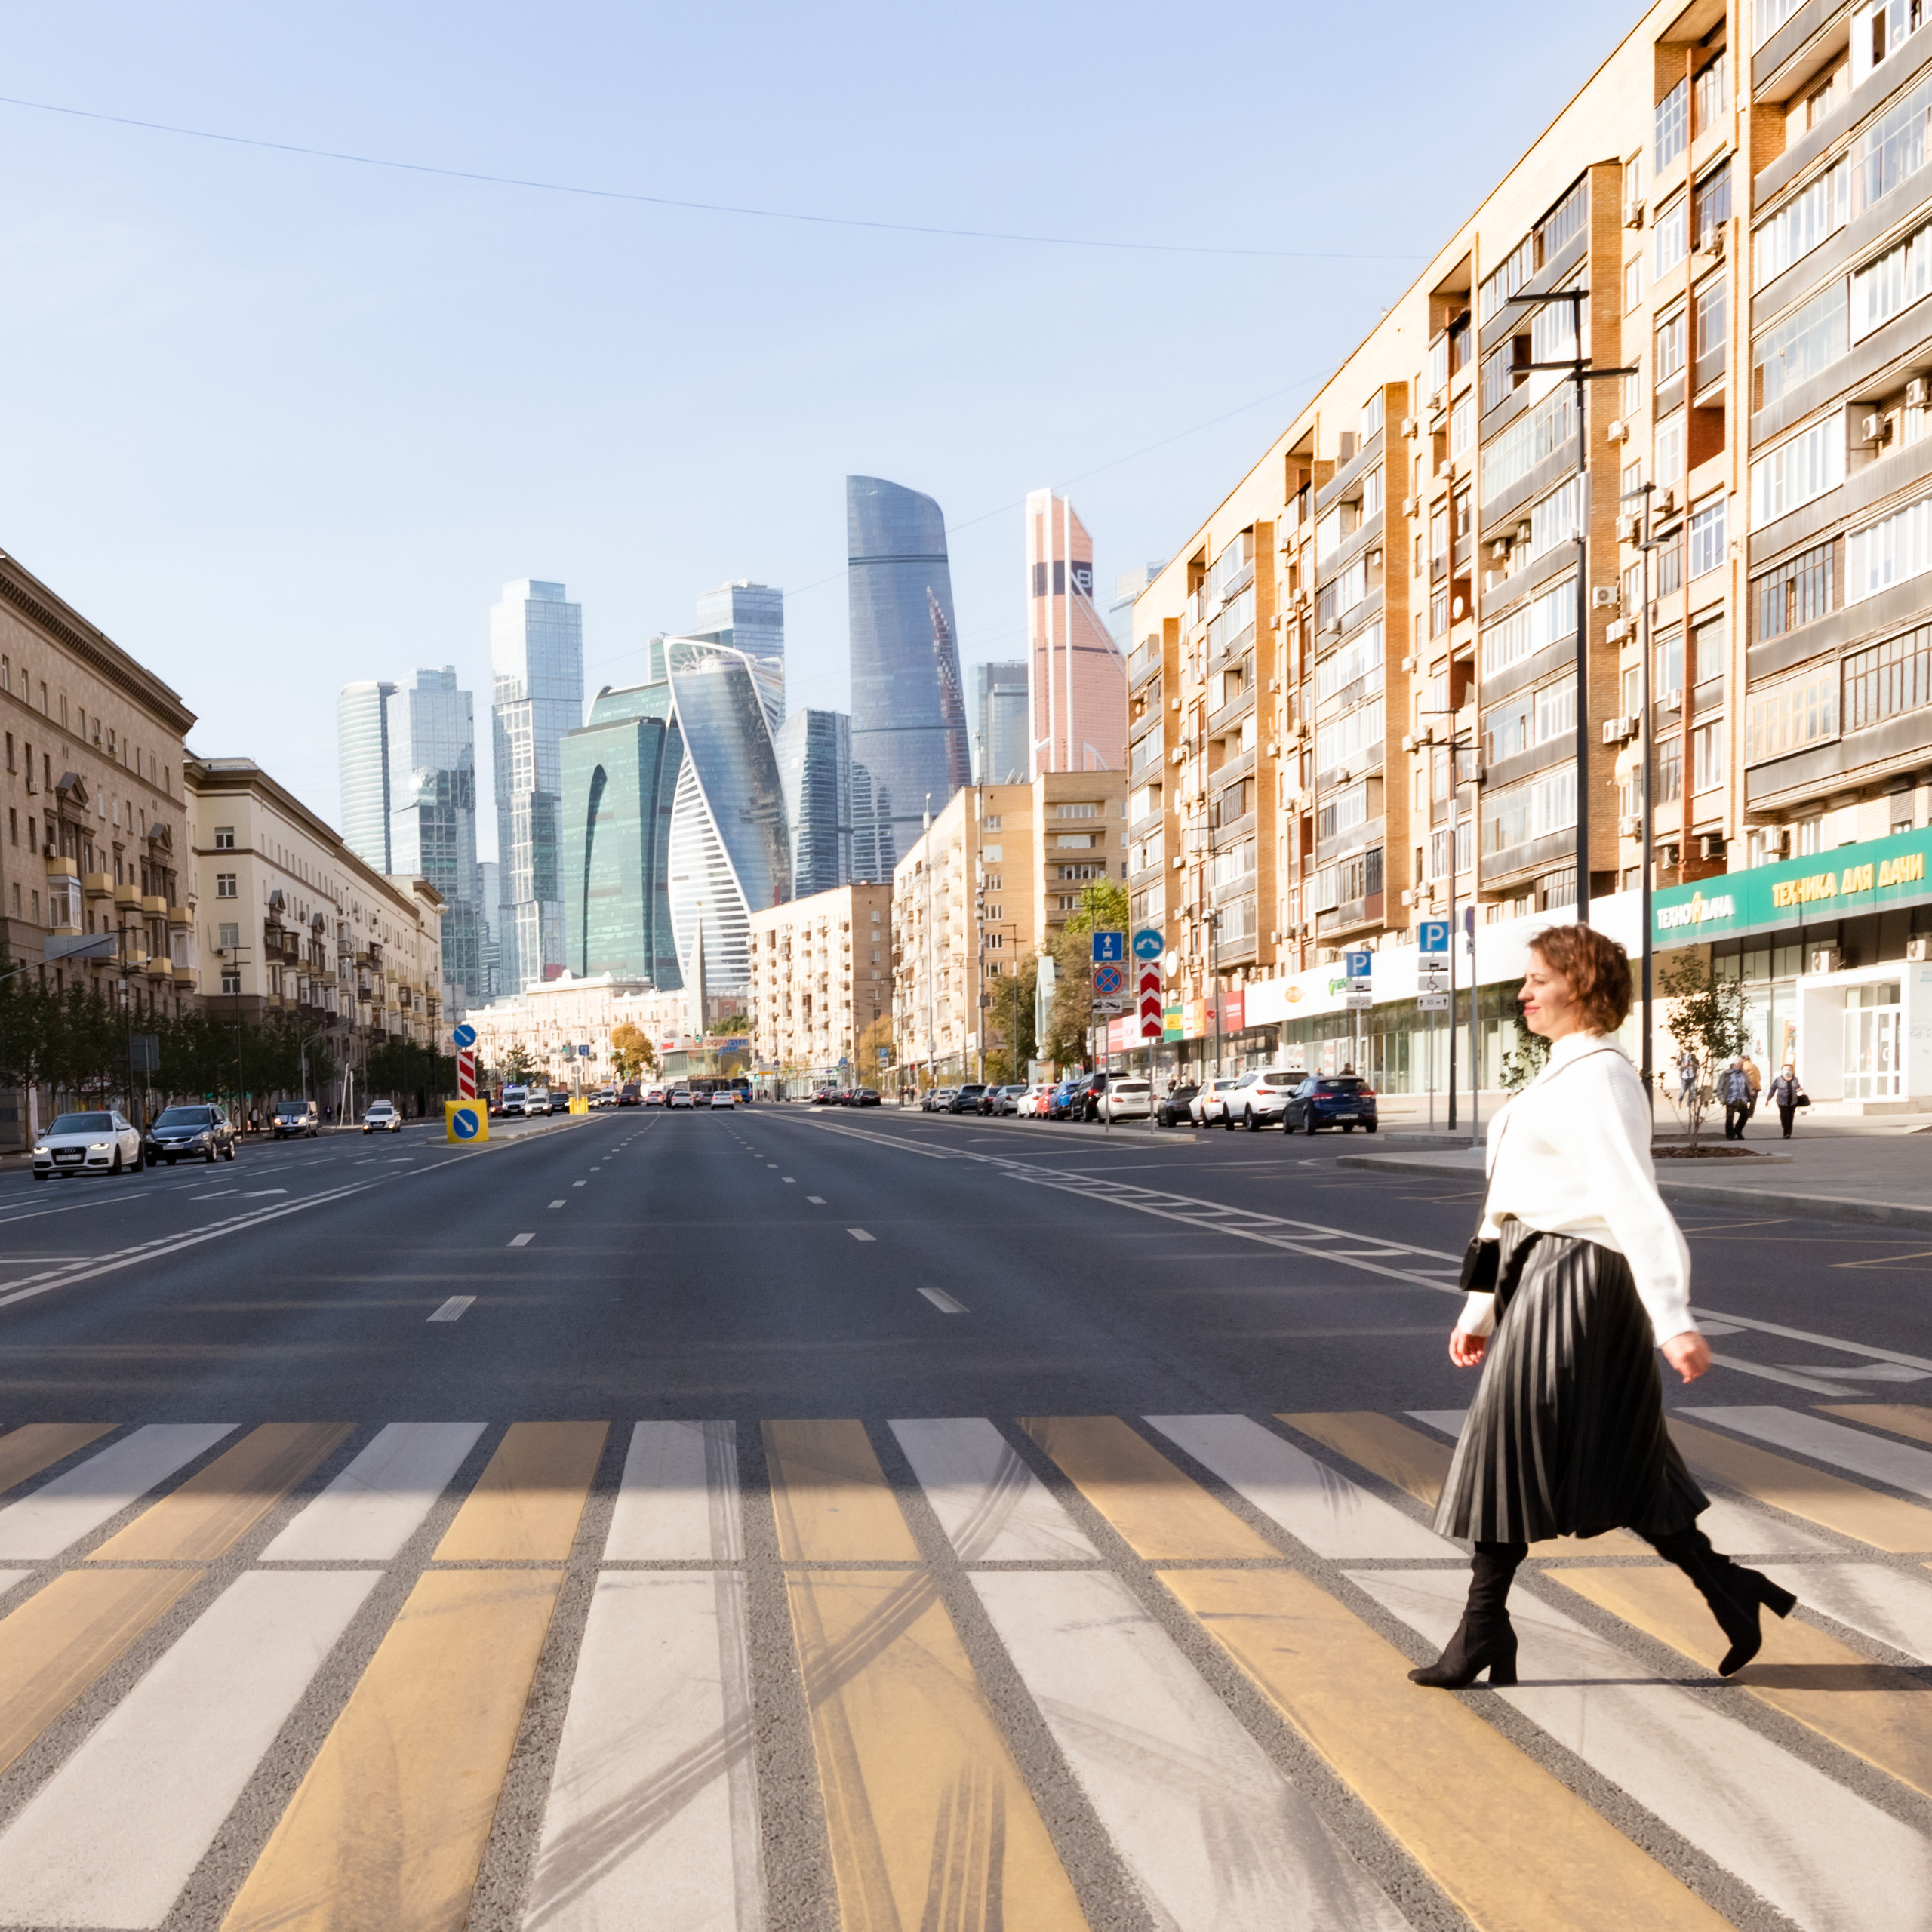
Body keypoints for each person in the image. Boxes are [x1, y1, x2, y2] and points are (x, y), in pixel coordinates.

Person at [1411, 923, 1794, 1691]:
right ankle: (1729, 1588)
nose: (1522, 992)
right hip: (1538, 1273)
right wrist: (1477, 1308)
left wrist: (1672, 1317)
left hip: (1582, 1281)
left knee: (1505, 1441)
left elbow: (1630, 1201)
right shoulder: (1555, 1076)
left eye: (1537, 979)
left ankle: (1483, 1627)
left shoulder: (1601, 1079)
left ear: (1579, 984)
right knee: (1622, 1456)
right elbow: (1504, 1208)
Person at [1769, 1061, 1804, 1140]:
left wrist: (1799, 1089)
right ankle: (1786, 1128)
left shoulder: (1795, 1079)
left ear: (1792, 1071)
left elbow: (1798, 1087)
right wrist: (1769, 1098)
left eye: (1789, 1069)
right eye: (1785, 1069)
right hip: (1782, 1102)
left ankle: (1787, 1133)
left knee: (1790, 1117)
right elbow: (1773, 1089)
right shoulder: (1778, 1079)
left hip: (1793, 1102)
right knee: (1784, 1117)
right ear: (1782, 1071)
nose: (1787, 1071)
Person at [1720, 1058, 1752, 1140]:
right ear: (1735, 1065)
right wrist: (1721, 1098)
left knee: (1745, 1114)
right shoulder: (1726, 1074)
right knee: (1730, 1117)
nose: (1742, 1067)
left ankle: (1737, 1130)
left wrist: (1751, 1090)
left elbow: (1749, 1083)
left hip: (1742, 1099)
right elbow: (1720, 1087)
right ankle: (1730, 1135)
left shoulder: (1744, 1073)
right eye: (1740, 1065)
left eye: (1742, 1065)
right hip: (1731, 1099)